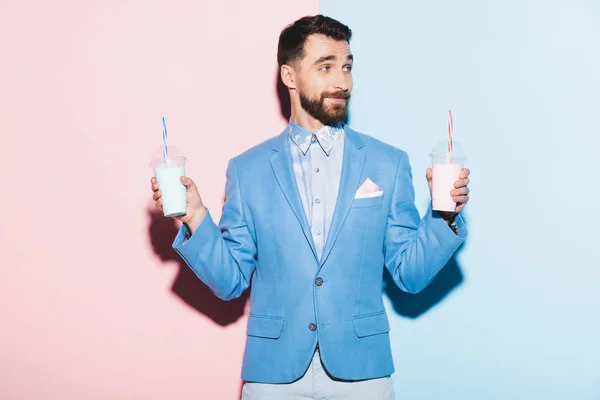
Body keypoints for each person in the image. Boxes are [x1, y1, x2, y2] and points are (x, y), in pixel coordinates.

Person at [150, 14, 470, 400]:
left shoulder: (388, 163)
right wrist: (197, 219)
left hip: (363, 375)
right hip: (273, 374)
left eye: (348, 67)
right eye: (326, 67)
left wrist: (444, 216)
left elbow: (410, 275)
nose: (342, 82)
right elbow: (230, 280)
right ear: (289, 76)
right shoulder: (247, 170)